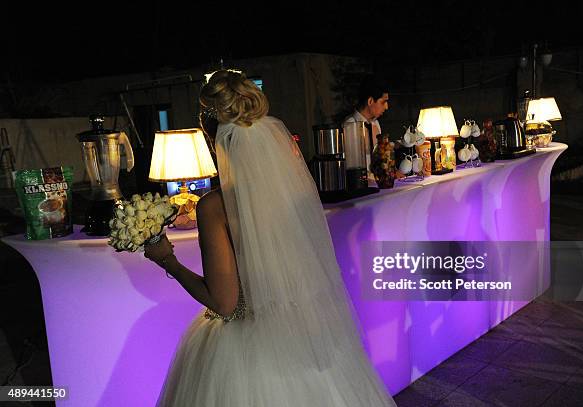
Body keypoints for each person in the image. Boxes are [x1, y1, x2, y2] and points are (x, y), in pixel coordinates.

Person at [144, 70, 397, 406]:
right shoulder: (294, 193)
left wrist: (167, 260)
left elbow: (224, 304)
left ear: (213, 139)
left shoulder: (215, 206)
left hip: (246, 352)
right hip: (305, 333)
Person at [343, 75, 390, 150]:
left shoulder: (375, 123)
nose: (386, 107)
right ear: (370, 101)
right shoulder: (350, 125)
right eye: (383, 102)